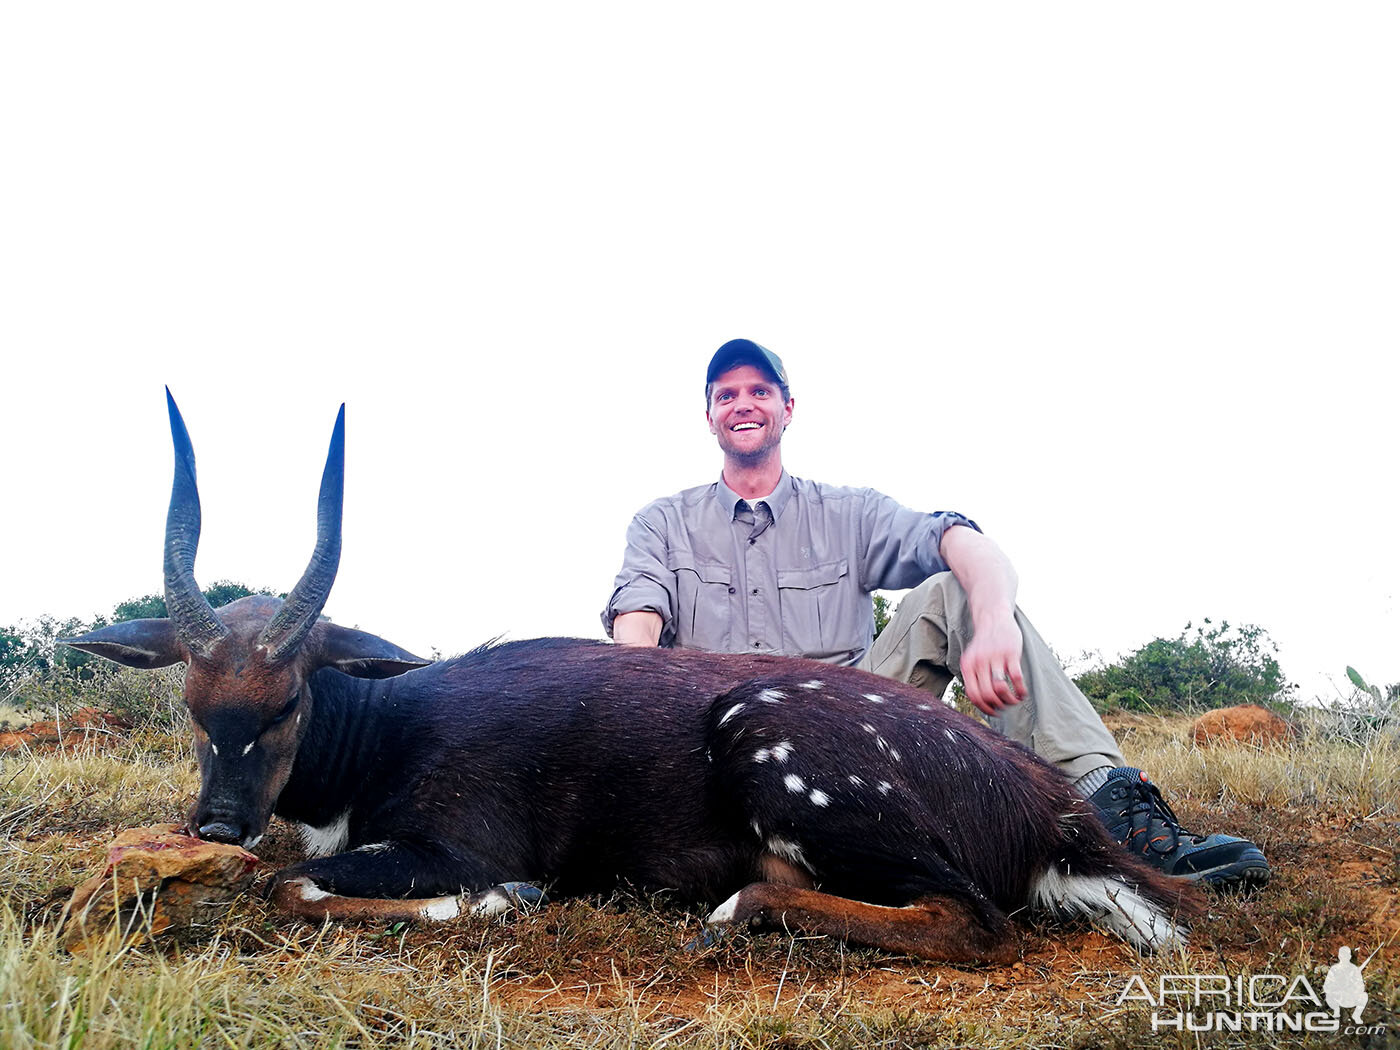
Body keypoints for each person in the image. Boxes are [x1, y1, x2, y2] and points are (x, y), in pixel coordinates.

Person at [602, 338, 1270, 888]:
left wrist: (995, 619)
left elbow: (960, 540)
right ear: (710, 415)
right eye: (727, 394)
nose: (743, 403)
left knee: (954, 591)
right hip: (725, 740)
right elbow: (637, 623)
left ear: (787, 408)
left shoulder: (849, 512)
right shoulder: (662, 523)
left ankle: (1114, 810)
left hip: (847, 714)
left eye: (759, 391)